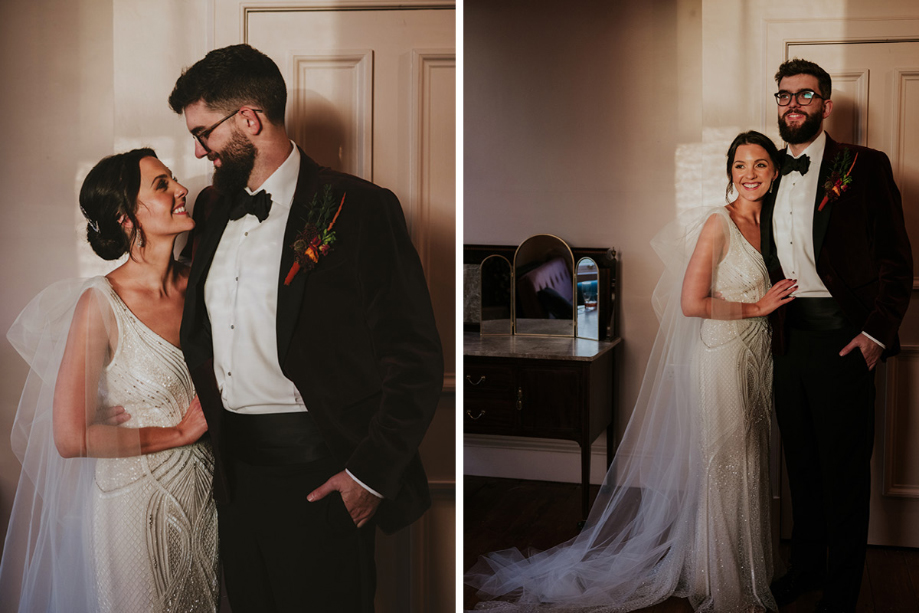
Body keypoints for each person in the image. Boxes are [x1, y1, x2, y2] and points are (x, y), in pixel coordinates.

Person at [466, 131, 795, 612]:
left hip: (757, 356)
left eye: (761, 165)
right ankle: (723, 583)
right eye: (741, 165)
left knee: (749, 458)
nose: (750, 175)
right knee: (726, 460)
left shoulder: (773, 225)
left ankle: (737, 568)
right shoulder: (716, 225)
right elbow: (690, 303)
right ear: (729, 173)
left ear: (774, 171)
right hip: (722, 354)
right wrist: (756, 308)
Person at [167, 44, 443, 612]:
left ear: (250, 118)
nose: (197, 152)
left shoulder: (361, 208)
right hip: (235, 482)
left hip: (322, 475)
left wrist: (368, 477)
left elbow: (413, 359)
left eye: (203, 133)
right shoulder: (212, 210)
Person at [0, 149, 218, 613]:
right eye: (162, 185)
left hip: (208, 499)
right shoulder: (100, 304)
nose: (181, 190)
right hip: (133, 508)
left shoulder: (199, 286)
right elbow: (69, 436)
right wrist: (179, 432)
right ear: (125, 217)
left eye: (174, 179)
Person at [762, 59, 912, 612]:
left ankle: (843, 593)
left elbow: (897, 262)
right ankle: (806, 570)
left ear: (826, 104)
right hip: (786, 342)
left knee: (845, 476)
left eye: (805, 95)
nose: (793, 104)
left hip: (846, 342)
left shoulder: (864, 167)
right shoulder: (767, 169)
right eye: (784, 96)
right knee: (800, 466)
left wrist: (875, 334)